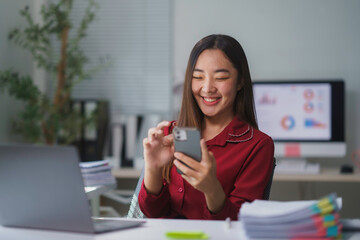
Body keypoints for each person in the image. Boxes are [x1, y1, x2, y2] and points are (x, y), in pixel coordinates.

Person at [138, 34, 274, 220]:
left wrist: (212, 190)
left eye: (221, 77)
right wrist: (152, 169)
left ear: (240, 81)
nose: (207, 87)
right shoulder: (170, 133)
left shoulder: (258, 145)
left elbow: (242, 223)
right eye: (198, 77)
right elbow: (152, 213)